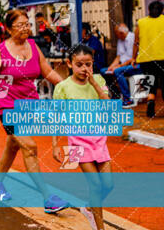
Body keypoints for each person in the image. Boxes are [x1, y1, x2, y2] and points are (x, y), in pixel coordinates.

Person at [0, 9, 69, 213]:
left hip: (28, 105)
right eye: (20, 25)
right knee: (29, 146)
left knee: (13, 144)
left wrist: (67, 87)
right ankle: (48, 198)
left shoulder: (33, 46)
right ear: (8, 29)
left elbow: (47, 71)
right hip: (7, 105)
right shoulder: (0, 52)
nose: (26, 28)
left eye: (27, 24)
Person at [52, 44, 113, 230]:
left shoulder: (99, 81)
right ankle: (100, 227)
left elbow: (108, 105)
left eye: (88, 64)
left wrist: (94, 83)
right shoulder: (62, 88)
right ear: (70, 64)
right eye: (79, 64)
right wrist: (55, 144)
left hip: (99, 140)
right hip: (77, 143)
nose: (84, 69)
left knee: (108, 185)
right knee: (95, 185)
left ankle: (88, 208)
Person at [132, 0, 164, 118]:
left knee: (151, 84)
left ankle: (151, 104)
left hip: (146, 59)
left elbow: (136, 43)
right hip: (163, 58)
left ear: (148, 10)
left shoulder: (141, 23)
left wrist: (133, 58)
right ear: (162, 11)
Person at [100, 24, 140, 108]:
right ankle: (116, 94)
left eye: (116, 33)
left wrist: (118, 66)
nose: (115, 35)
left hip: (135, 64)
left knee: (118, 71)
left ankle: (127, 99)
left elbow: (133, 58)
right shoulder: (120, 40)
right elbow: (118, 57)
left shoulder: (133, 38)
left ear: (121, 32)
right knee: (103, 71)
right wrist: (111, 66)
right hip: (123, 65)